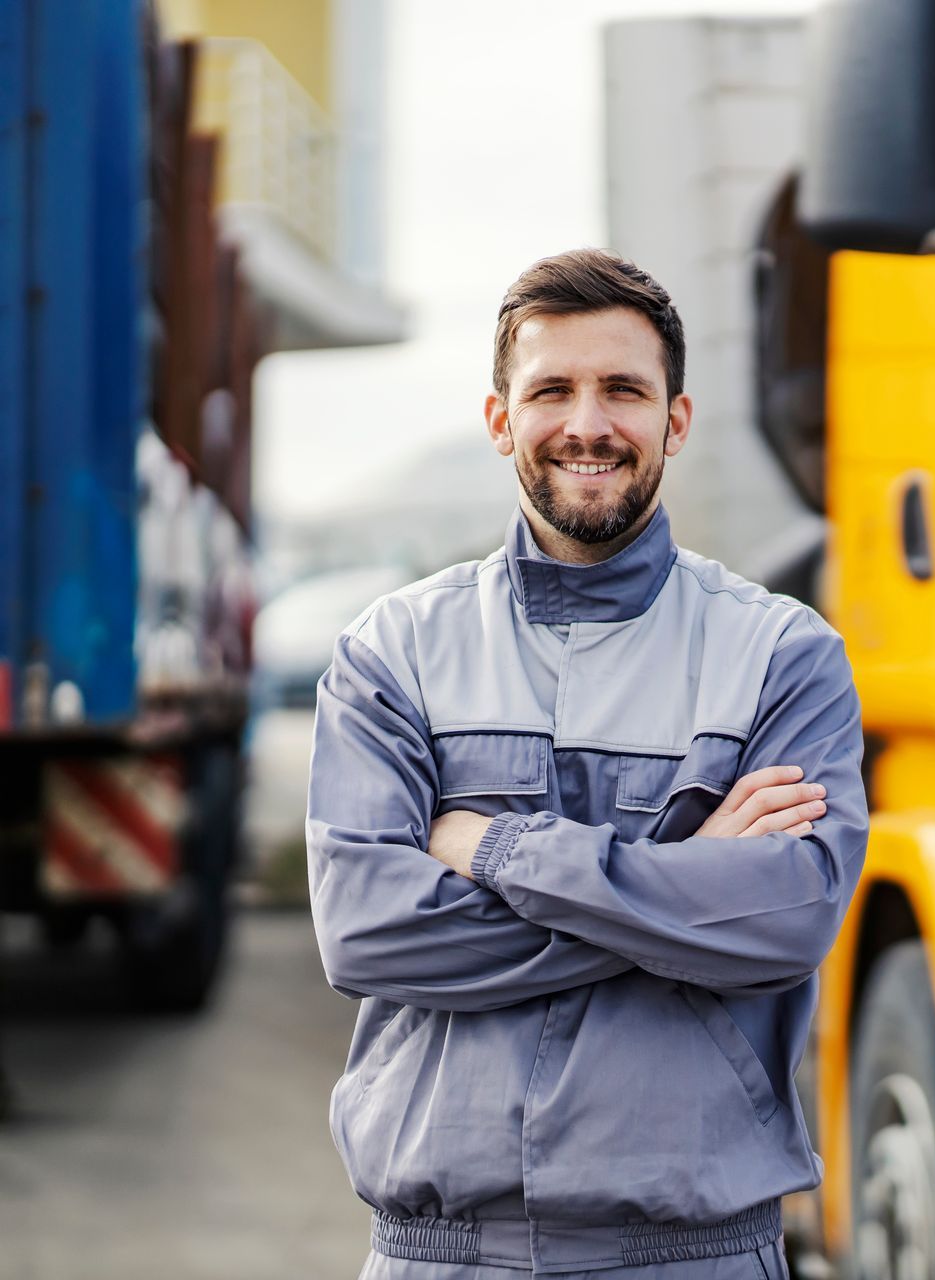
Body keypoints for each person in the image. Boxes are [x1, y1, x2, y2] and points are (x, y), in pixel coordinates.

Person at [306, 248, 866, 1279]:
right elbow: (366, 932)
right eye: (551, 389)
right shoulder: (395, 653)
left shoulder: (782, 657)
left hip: (693, 1253)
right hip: (445, 1256)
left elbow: (786, 919)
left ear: (676, 420)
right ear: (499, 419)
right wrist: (688, 886)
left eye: (624, 389)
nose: (588, 423)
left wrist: (500, 849)